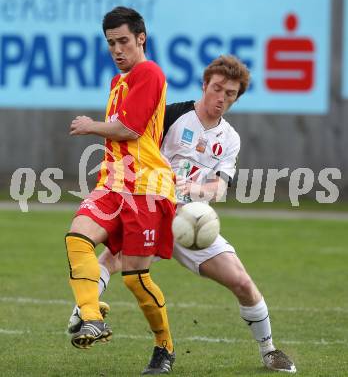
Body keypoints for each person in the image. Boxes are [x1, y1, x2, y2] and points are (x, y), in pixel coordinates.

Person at [69, 55, 296, 373]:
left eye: (230, 94)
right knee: (110, 259)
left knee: (242, 282)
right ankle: (83, 314)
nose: (221, 97)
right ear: (205, 85)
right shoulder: (172, 115)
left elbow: (220, 186)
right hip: (153, 210)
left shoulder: (230, 139)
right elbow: (135, 143)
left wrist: (199, 189)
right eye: (217, 88)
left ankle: (270, 351)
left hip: (193, 223)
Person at [65, 6, 176, 375]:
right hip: (113, 184)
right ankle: (92, 317)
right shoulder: (118, 82)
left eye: (124, 41)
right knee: (77, 237)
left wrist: (90, 125)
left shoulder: (149, 72)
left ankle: (164, 348)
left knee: (136, 279)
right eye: (111, 43)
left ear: (140, 39)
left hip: (146, 188)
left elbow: (129, 130)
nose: (117, 49)